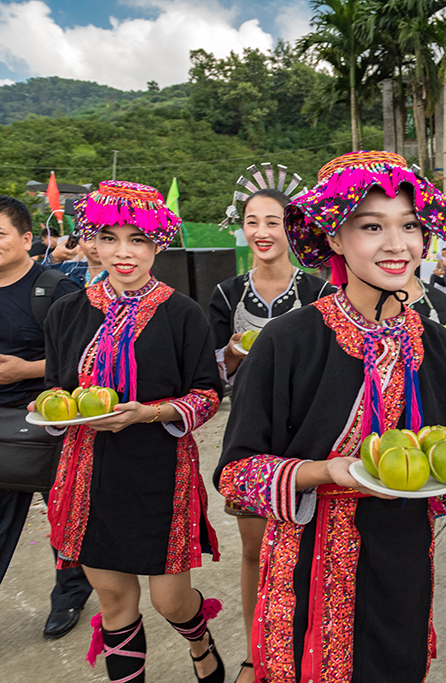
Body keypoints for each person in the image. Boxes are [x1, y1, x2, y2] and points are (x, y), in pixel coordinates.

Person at [216, 151, 446, 681]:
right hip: (308, 563)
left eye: (410, 226)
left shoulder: (436, 345)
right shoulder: (289, 340)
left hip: (403, 557)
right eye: (371, 226)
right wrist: (322, 472)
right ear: (333, 236)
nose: (397, 244)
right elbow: (236, 476)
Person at [39, 181, 224, 682]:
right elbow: (56, 391)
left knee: (170, 599)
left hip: (160, 473)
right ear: (91, 241)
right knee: (116, 599)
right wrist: (54, 409)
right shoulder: (66, 311)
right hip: (88, 476)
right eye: (109, 237)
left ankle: (199, 640)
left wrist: (146, 413)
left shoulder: (183, 313)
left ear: (157, 244)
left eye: (137, 239)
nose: (123, 252)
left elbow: (207, 395)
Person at [208, 186, 333, 683]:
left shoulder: (319, 292)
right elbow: (212, 368)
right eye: (252, 221)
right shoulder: (226, 293)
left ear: (293, 227)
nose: (262, 232)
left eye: (273, 221)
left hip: (311, 437)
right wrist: (234, 356)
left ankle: (312, 645)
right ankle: (256, 653)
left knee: (314, 548)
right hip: (253, 434)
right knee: (256, 551)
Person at [0, 195, 93, 640]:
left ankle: (70, 593)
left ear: (27, 238)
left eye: (0, 235)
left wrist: (28, 370)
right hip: (0, 426)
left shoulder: (55, 289)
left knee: (62, 513)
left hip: (49, 422)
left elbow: (87, 357)